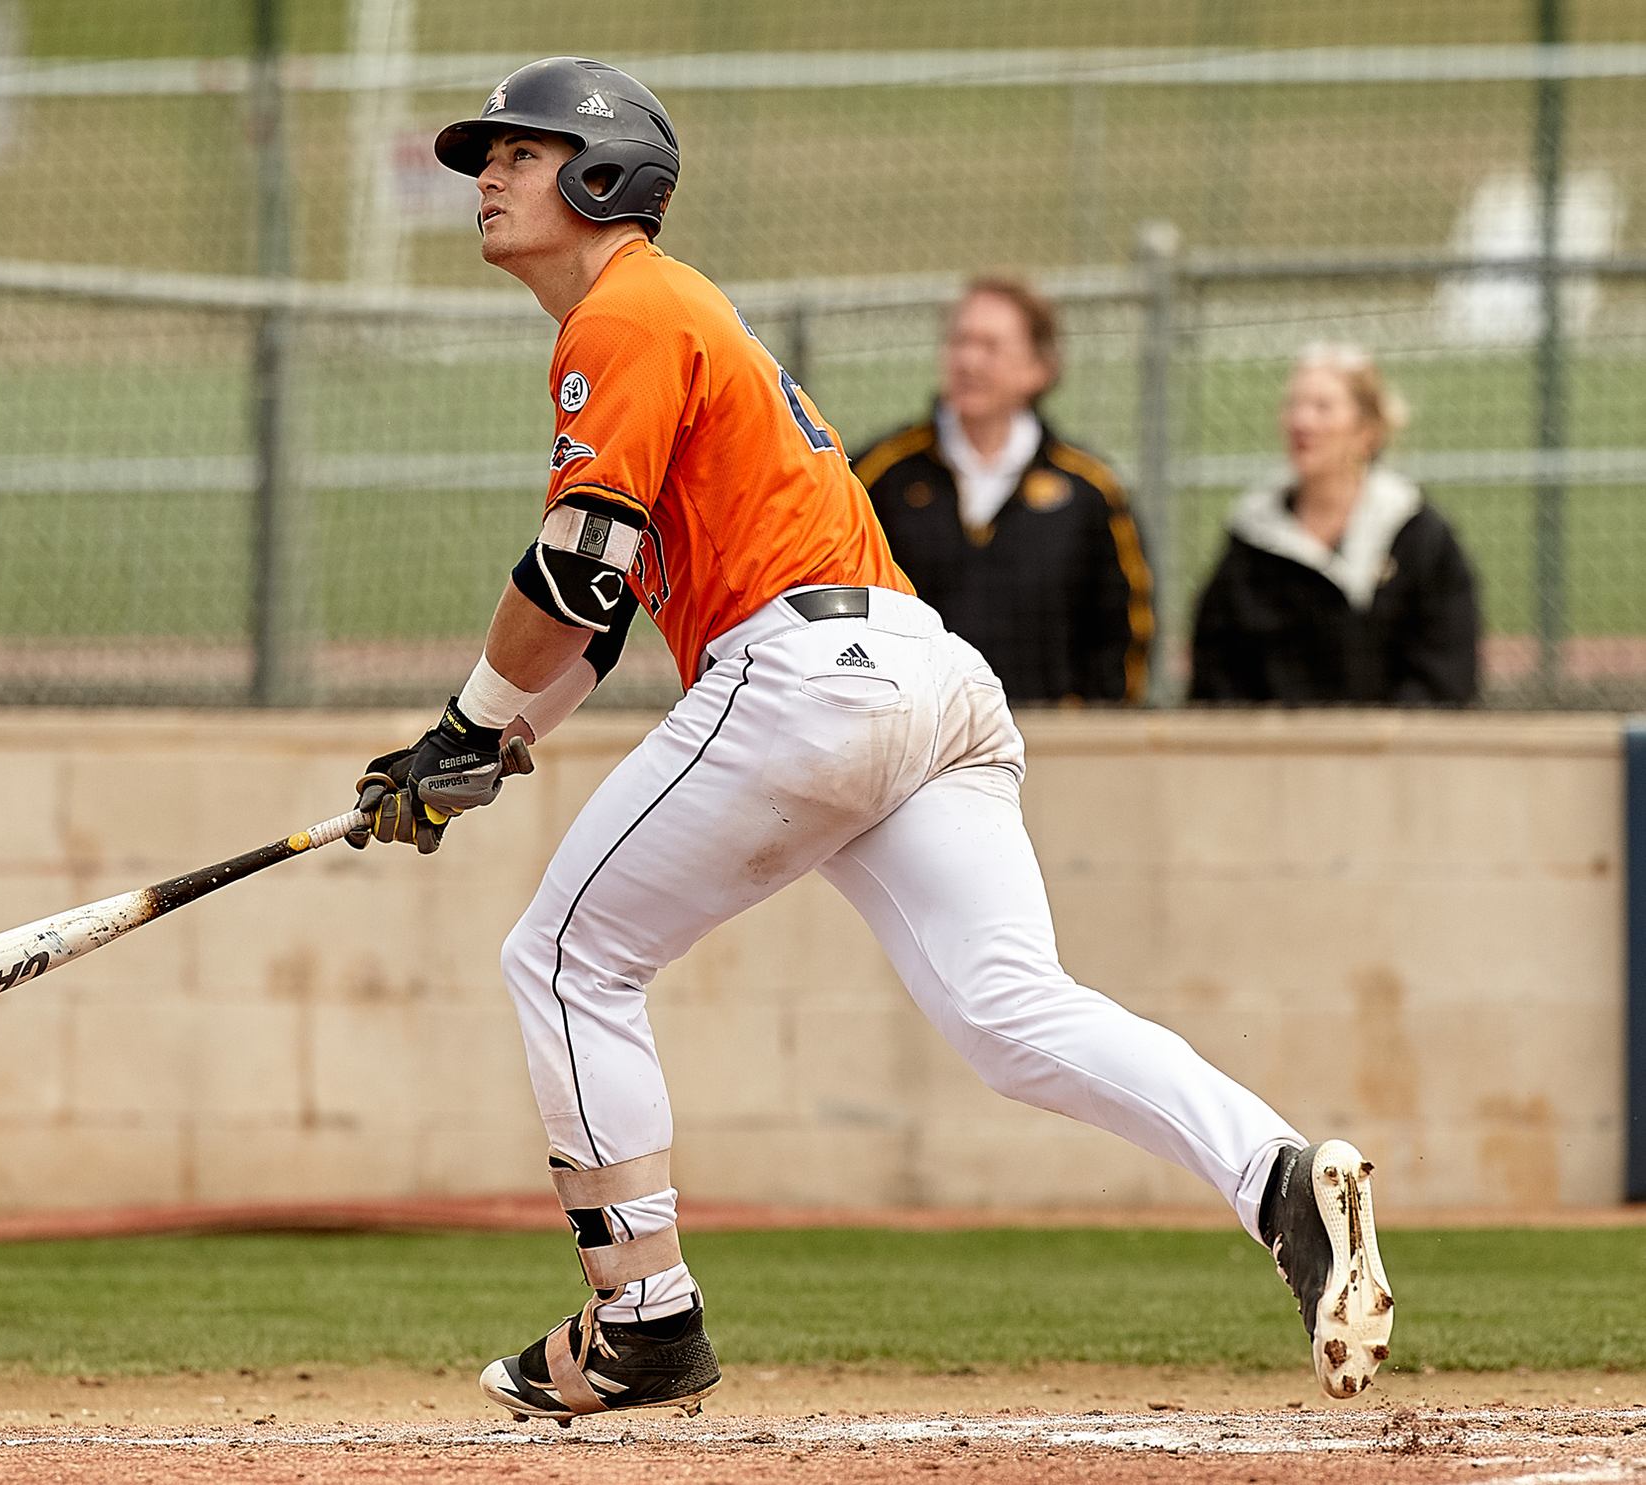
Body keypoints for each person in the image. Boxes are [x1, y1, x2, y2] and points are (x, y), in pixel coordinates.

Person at [350, 57, 1395, 1426]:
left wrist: (465, 723)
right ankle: (1272, 1174)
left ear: (606, 176)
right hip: (925, 675)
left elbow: (571, 569)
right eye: (483, 155)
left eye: (520, 151)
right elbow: (596, 629)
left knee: (560, 956)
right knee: (1012, 1017)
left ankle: (643, 1315)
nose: (485, 174)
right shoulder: (664, 324)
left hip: (809, 674)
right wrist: (476, 753)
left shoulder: (628, 309)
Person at [855, 279, 1153, 705]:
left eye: (991, 346)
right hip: (911, 743)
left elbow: (1124, 629)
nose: (969, 361)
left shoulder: (1090, 493)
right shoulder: (880, 476)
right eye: (960, 342)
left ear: (1039, 369)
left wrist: (1089, 724)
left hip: (1052, 750)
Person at [1190, 345, 1479, 705]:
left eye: (1322, 407)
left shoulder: (1417, 537)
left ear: (1367, 430)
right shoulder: (1252, 538)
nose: (1301, 422)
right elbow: (1217, 675)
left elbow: (1445, 673)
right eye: (1294, 405)